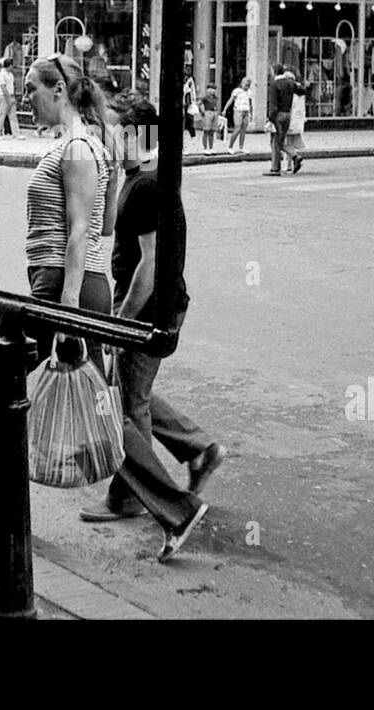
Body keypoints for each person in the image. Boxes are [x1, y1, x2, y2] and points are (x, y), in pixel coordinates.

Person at [0, 53, 120, 528]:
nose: (24, 99)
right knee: (97, 395)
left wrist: (66, 315)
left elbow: (84, 231)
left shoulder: (79, 148)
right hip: (71, 283)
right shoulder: (85, 144)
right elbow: (105, 224)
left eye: (31, 90)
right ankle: (171, 501)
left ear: (58, 91)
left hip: (67, 285)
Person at [79, 92, 223, 563]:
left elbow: (150, 262)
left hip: (147, 309)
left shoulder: (144, 186)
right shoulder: (140, 179)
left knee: (126, 404)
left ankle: (147, 503)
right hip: (159, 305)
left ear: (138, 133)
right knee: (133, 393)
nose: (108, 136)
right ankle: (198, 448)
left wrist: (123, 321)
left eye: (116, 128)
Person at [265, 64, 302, 175]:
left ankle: (275, 169)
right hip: (287, 114)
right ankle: (295, 156)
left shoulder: (274, 84)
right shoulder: (289, 83)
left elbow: (273, 103)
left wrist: (270, 118)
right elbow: (302, 91)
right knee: (280, 141)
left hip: (278, 115)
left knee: (275, 142)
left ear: (274, 71)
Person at [0, 56, 23, 139]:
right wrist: (9, 97)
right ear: (8, 65)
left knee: (13, 116)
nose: (12, 67)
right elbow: (3, 87)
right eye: (11, 65)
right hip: (3, 96)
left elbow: (11, 86)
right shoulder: (1, 75)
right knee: (2, 115)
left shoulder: (11, 74)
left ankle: (16, 134)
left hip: (10, 95)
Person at [223, 76, 252, 153]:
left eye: (248, 85)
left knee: (243, 130)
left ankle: (241, 146)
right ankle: (230, 145)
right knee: (238, 128)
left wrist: (250, 113)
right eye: (246, 85)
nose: (247, 87)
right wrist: (225, 109)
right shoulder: (237, 91)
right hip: (238, 110)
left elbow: (250, 103)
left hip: (246, 111)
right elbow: (231, 100)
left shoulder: (249, 92)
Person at [285, 80, 307, 162]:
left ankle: (289, 163)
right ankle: (290, 162)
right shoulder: (301, 96)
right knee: (292, 143)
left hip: (291, 121)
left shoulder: (291, 96)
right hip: (298, 122)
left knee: (287, 143)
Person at [198, 84, 219, 154]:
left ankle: (211, 147)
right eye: (210, 89)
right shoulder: (205, 98)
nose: (212, 91)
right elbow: (199, 104)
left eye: (213, 89)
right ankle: (205, 148)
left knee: (212, 131)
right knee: (206, 131)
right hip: (207, 112)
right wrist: (202, 111)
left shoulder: (216, 98)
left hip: (214, 112)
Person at [181, 69, 198, 144]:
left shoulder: (189, 83)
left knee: (188, 120)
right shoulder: (189, 82)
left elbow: (189, 94)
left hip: (187, 105)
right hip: (186, 105)